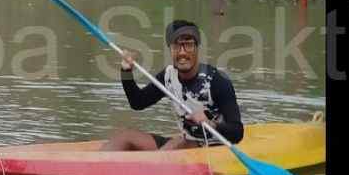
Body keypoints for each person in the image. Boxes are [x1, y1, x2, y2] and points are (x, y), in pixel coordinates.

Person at [102, 19, 244, 151]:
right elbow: (137, 102)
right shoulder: (168, 76)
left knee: (178, 143)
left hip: (214, 148)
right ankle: (94, 167)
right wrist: (126, 71)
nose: (182, 52)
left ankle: (156, 163)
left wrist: (211, 124)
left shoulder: (217, 81)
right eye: (177, 45)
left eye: (188, 45)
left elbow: (237, 132)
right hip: (186, 141)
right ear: (170, 49)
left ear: (197, 48)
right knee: (126, 137)